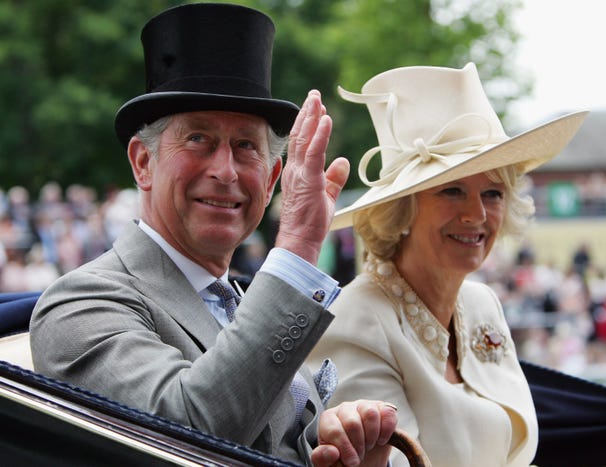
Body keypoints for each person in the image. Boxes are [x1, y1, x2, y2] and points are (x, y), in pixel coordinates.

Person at [29, 4, 398, 466]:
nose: (225, 171)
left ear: (271, 180)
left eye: (245, 146)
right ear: (143, 163)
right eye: (198, 139)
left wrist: (344, 450)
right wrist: (299, 247)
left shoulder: (246, 302)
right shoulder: (81, 304)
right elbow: (187, 436)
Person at [307, 63, 588, 466]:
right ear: (401, 210)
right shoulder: (355, 321)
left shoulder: (480, 303)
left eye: (492, 193)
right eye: (452, 191)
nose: (476, 214)